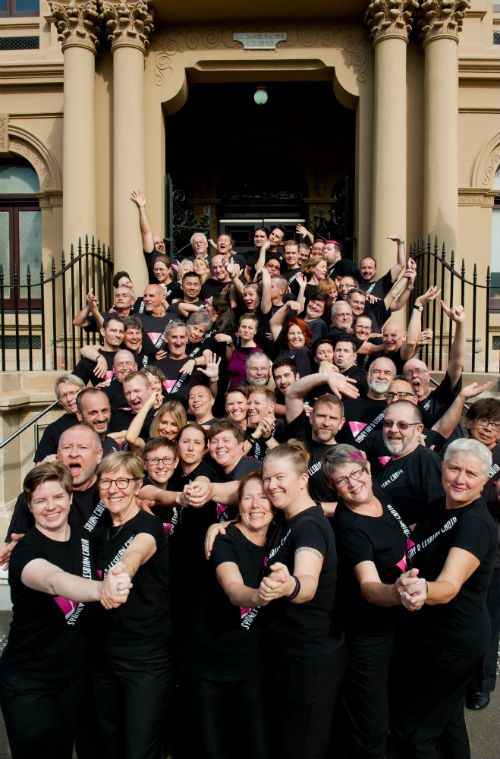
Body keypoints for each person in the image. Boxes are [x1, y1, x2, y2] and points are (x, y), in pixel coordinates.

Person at [0, 462, 130, 759]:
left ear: (70, 498)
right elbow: (54, 581)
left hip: (74, 679)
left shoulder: (87, 540)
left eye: (58, 497)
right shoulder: (25, 552)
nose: (50, 507)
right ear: (29, 507)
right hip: (30, 683)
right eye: (40, 501)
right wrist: (101, 590)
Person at [391, 439, 497, 759]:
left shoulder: (476, 524)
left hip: (451, 644)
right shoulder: (440, 506)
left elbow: (449, 584)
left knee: (415, 732)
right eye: (454, 468)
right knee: (448, 721)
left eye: (470, 473)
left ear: (484, 481)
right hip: (436, 637)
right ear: (443, 469)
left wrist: (425, 589)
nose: (460, 479)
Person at [257, 441, 346, 759]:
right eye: (266, 478)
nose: (271, 485)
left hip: (311, 659)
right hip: (286, 653)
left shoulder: (309, 527)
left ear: (302, 479)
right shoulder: (284, 519)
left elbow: (308, 580)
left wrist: (290, 584)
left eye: (279, 477)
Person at [322, 444, 410, 759]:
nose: (353, 483)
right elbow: (369, 586)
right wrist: (398, 592)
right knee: (370, 724)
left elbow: (403, 534)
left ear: (368, 469)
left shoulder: (379, 497)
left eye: (356, 473)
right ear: (333, 488)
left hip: (397, 626)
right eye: (342, 480)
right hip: (368, 636)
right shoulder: (351, 526)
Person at [181, 470, 272, 759]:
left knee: (256, 747)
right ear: (237, 503)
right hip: (209, 663)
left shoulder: (281, 534)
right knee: (213, 749)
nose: (256, 504)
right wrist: (257, 596)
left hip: (253, 665)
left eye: (264, 497)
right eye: (248, 498)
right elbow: (233, 589)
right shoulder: (223, 539)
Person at [92, 451, 173, 759]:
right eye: (107, 481)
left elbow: (135, 554)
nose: (114, 489)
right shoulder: (98, 532)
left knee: (140, 749)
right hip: (104, 656)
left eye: (123, 481)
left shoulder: (148, 527)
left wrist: (120, 575)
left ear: (139, 485)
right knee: (109, 744)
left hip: (145, 659)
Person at [464, 397, 500, 710]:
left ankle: (483, 682)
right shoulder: (459, 451)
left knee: (488, 622)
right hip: (459, 549)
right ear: (470, 422)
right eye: (483, 421)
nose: (488, 428)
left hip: (494, 555)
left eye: (495, 423)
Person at [34, 373, 84, 462]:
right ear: (59, 401)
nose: (69, 399)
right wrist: (48, 461)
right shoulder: (53, 429)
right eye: (64, 395)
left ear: (83, 390)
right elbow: (38, 467)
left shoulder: (97, 417)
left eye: (72, 393)